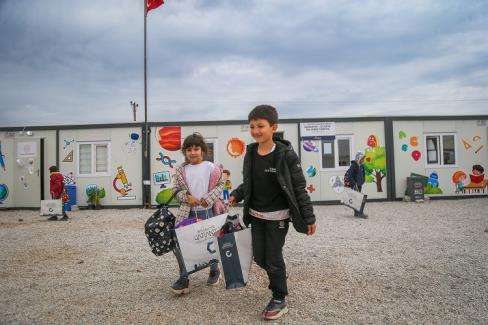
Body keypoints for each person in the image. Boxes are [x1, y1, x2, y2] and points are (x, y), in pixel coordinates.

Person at [228, 105, 316, 321]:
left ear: (273, 127)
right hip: (256, 216)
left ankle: (279, 298)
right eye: (252, 126)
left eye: (261, 126)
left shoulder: (286, 155)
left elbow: (298, 187)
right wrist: (236, 194)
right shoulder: (250, 153)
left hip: (278, 218)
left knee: (274, 258)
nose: (256, 130)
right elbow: (250, 181)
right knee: (260, 257)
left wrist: (309, 216)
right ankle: (279, 274)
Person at [170, 133, 226, 295]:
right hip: (187, 213)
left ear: (203, 150)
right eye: (189, 150)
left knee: (211, 242)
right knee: (183, 244)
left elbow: (220, 185)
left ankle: (214, 270)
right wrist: (187, 197)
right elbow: (175, 190)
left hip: (208, 211)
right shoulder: (181, 170)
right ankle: (184, 278)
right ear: (185, 152)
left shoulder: (212, 168)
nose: (193, 152)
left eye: (196, 149)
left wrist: (207, 199)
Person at [344, 151, 367, 218]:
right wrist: (354, 184)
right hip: (354, 185)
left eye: (363, 158)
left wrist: (363, 180)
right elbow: (350, 176)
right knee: (357, 199)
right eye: (362, 158)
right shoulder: (353, 165)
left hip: (359, 184)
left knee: (358, 198)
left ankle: (357, 213)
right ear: (358, 158)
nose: (363, 160)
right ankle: (360, 213)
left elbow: (363, 174)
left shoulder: (362, 166)